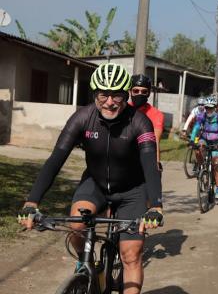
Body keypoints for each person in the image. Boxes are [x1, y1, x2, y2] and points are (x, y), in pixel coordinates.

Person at [18, 63, 163, 294]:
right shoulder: (82, 118)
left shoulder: (139, 122)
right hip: (95, 184)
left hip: (132, 190)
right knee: (76, 224)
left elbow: (149, 164)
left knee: (131, 254)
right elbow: (56, 159)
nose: (109, 101)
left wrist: (155, 205)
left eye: (116, 94)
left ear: (126, 95)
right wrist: (31, 202)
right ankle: (88, 265)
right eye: (103, 94)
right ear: (95, 94)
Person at [190, 96, 218, 201]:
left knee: (216, 164)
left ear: (214, 107)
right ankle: (202, 168)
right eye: (207, 108)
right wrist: (192, 140)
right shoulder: (201, 116)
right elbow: (196, 127)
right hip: (204, 139)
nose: (209, 110)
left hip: (216, 142)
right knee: (198, 149)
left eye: (211, 108)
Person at [129, 74, 165, 176]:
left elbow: (155, 141)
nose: (140, 94)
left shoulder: (157, 115)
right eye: (136, 91)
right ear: (130, 91)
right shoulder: (122, 110)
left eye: (144, 91)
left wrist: (156, 163)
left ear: (148, 93)